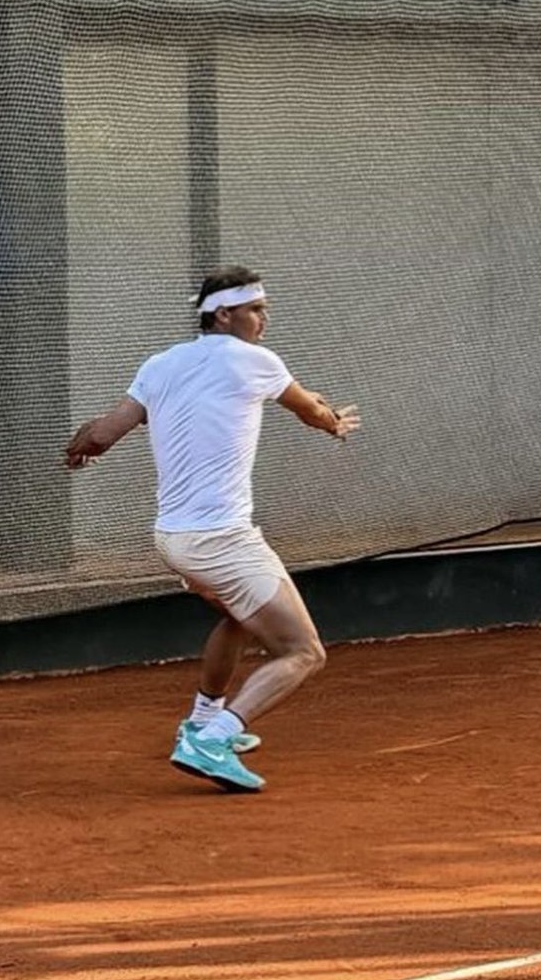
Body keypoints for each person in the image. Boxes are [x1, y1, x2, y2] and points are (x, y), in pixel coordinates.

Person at [64, 266, 361, 793]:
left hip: (173, 540)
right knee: (303, 651)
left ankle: (203, 716)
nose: (264, 319)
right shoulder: (254, 362)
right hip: (223, 540)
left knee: (238, 617)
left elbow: (105, 432)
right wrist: (334, 421)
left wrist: (80, 446)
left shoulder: (161, 364)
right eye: (255, 309)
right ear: (223, 314)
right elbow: (309, 407)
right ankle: (214, 739)